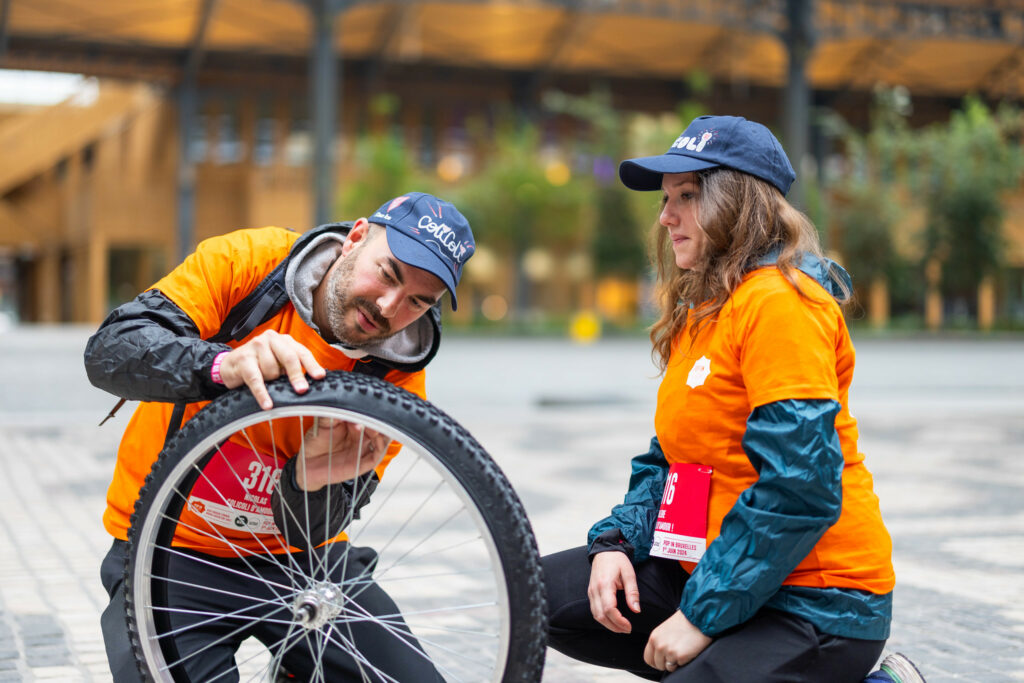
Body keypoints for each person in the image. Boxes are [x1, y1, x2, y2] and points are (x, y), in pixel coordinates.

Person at [542, 116, 925, 682]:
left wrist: (700, 616)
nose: (667, 216)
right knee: (536, 593)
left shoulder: (780, 304)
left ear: (737, 204)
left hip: (816, 601)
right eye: (666, 199)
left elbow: (800, 486)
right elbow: (673, 461)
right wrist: (616, 545)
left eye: (688, 196)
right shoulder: (704, 310)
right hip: (717, 569)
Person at [85, 191, 475, 682]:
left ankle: (297, 668)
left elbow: (313, 528)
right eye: (389, 273)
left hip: (298, 562)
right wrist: (221, 364)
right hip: (169, 552)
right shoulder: (247, 263)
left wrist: (312, 482)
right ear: (355, 238)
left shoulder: (397, 377)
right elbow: (110, 350)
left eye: (419, 301)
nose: (388, 306)